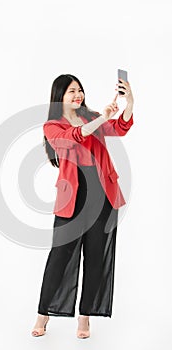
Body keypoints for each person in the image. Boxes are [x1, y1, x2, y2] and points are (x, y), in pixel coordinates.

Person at [31, 74, 134, 338]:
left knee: (96, 257)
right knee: (60, 257)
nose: (78, 95)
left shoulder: (92, 117)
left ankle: (85, 318)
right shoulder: (52, 125)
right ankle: (43, 313)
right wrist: (102, 117)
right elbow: (74, 136)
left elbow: (120, 129)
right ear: (59, 97)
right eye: (71, 91)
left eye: (80, 90)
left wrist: (129, 103)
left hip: (103, 195)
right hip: (73, 198)